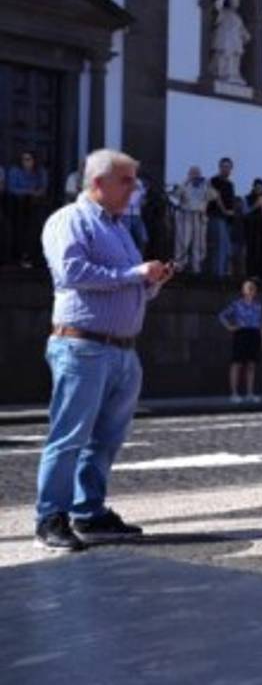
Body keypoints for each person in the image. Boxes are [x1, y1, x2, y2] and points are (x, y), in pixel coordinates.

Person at [35, 148, 174, 551]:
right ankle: (49, 517)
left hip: (122, 351)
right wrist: (134, 273)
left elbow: (128, 286)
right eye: (126, 180)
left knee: (106, 439)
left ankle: (88, 512)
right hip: (82, 347)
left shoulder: (119, 228)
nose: (135, 188)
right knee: (70, 435)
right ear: (98, 183)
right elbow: (72, 271)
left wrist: (152, 281)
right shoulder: (69, 220)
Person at [218, 278, 262, 403]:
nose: (251, 291)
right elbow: (222, 315)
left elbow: (260, 323)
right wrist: (230, 326)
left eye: (253, 289)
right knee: (237, 364)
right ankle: (234, 393)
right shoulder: (237, 304)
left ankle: (250, 393)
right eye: (248, 288)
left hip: (254, 333)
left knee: (251, 365)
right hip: (241, 333)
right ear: (243, 291)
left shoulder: (258, 306)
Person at [7, 150, 50, 267]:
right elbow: (11, 188)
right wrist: (30, 192)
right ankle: (20, 255)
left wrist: (33, 193)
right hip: (17, 205)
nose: (26, 162)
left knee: (37, 222)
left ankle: (35, 256)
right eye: (24, 159)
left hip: (35, 205)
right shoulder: (15, 171)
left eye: (29, 159)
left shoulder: (40, 171)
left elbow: (43, 189)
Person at [172, 165, 212, 273]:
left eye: (197, 173)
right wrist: (186, 181)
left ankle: (196, 267)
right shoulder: (185, 185)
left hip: (199, 217)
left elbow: (213, 196)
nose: (195, 175)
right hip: (186, 216)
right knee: (183, 242)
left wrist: (208, 184)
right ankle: (179, 266)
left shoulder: (205, 186)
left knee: (199, 244)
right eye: (193, 173)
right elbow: (175, 195)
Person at [207, 157, 238, 278]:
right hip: (216, 216)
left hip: (227, 220)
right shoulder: (213, 181)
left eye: (228, 167)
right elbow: (216, 197)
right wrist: (225, 211)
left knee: (226, 248)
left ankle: (223, 272)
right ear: (220, 167)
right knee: (218, 246)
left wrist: (231, 213)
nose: (226, 169)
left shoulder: (230, 184)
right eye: (224, 167)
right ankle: (217, 274)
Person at [244, 178, 262, 279]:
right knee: (252, 250)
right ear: (254, 187)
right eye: (257, 187)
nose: (259, 189)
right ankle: (252, 273)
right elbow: (245, 212)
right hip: (251, 228)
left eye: (260, 187)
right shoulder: (247, 198)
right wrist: (255, 206)